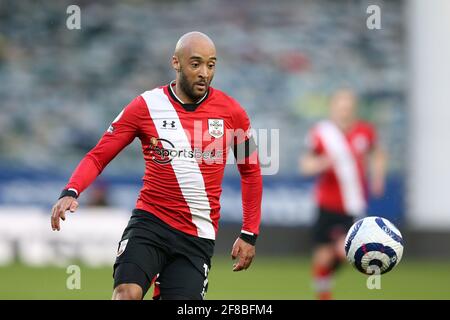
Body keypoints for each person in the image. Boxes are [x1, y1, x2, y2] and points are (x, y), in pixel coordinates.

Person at [50, 31, 263, 300]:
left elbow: (251, 172)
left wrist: (249, 233)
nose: (204, 73)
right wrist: (71, 191)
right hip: (150, 223)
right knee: (126, 294)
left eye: (211, 64)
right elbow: (98, 155)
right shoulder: (145, 106)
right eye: (195, 63)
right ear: (176, 62)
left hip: (197, 235)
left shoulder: (233, 113)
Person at [299, 89, 386, 300]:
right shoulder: (321, 133)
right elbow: (305, 165)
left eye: (348, 106)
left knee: (344, 250)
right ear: (333, 107)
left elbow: (378, 154)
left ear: (353, 108)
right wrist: (322, 163)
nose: (344, 110)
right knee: (322, 256)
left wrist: (377, 178)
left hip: (353, 205)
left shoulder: (365, 132)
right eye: (341, 105)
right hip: (326, 203)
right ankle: (323, 295)